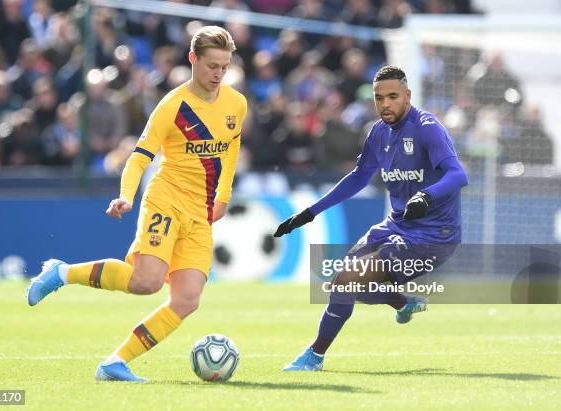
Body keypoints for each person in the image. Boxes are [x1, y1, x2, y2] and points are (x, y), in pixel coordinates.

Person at [26, 26, 247, 382]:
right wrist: (127, 195)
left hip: (201, 212)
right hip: (166, 200)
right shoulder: (172, 106)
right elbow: (139, 157)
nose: (218, 74)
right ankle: (61, 273)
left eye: (224, 66)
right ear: (193, 59)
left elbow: (231, 150)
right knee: (147, 282)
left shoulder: (236, 103)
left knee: (187, 299)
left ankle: (115, 362)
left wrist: (223, 196)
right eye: (211, 66)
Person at [274, 66, 468, 371]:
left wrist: (426, 195)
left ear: (407, 95)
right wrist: (311, 212)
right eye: (379, 98)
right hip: (397, 226)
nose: (385, 104)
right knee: (341, 282)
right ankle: (402, 302)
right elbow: (358, 177)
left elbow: (458, 174)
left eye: (393, 96)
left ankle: (314, 356)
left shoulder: (427, 127)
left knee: (347, 279)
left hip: (434, 236)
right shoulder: (378, 132)